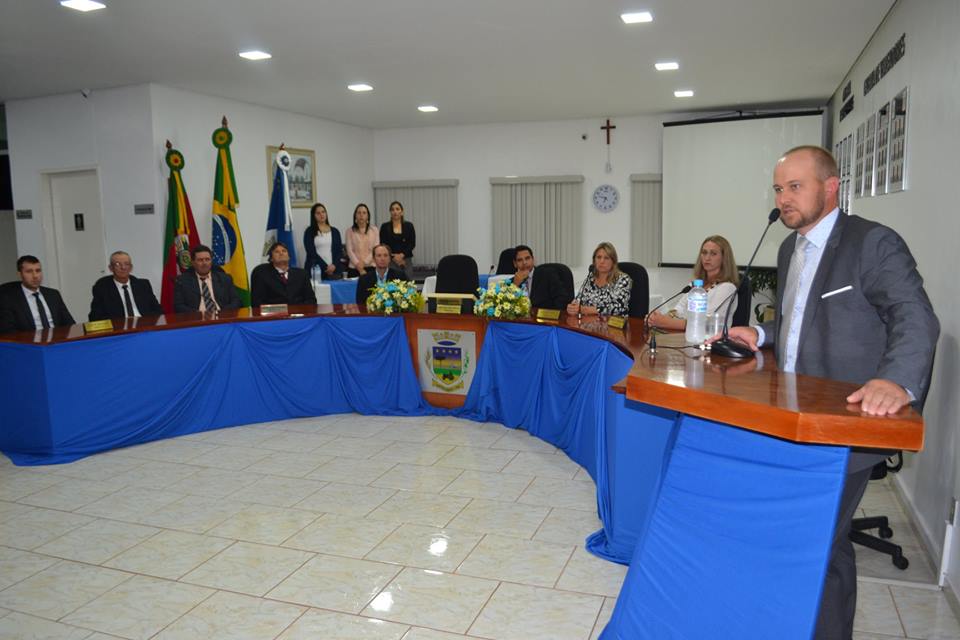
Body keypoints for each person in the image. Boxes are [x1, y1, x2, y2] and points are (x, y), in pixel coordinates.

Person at [722, 145, 938, 640]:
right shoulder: (788, 248)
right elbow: (800, 321)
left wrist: (896, 380)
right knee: (823, 542)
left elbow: (914, 316)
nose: (784, 198)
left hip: (844, 423)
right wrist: (763, 334)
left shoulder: (872, 243)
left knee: (817, 540)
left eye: (795, 187)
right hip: (795, 419)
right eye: (779, 189)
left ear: (831, 186)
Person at [646, 235, 739, 331]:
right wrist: (657, 319)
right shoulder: (696, 285)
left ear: (724, 258)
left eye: (713, 254)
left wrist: (665, 322)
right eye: (704, 253)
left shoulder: (727, 288)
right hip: (685, 335)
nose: (707, 258)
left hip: (710, 338)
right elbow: (679, 309)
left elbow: (704, 323)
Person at [0, 255, 75, 332]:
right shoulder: (8, 299)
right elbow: (8, 331)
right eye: (29, 271)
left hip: (57, 338)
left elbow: (70, 324)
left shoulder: (53, 295)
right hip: (28, 339)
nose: (35, 276)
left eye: (38, 271)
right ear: (20, 274)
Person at [88, 251, 163, 321]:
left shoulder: (143, 285)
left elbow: (158, 310)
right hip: (119, 326)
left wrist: (146, 322)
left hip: (143, 324)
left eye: (126, 264)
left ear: (131, 267)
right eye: (117, 264)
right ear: (111, 268)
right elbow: (95, 317)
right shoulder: (102, 288)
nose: (123, 267)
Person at [566, 242, 632, 317]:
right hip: (589, 322)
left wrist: (584, 309)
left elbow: (618, 308)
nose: (602, 261)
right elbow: (578, 300)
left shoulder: (622, 279)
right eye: (599, 257)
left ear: (613, 261)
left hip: (613, 323)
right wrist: (573, 308)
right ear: (594, 261)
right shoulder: (590, 278)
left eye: (606, 258)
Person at [173, 244, 242, 313]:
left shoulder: (225, 278)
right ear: (193, 263)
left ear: (211, 261)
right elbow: (178, 306)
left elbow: (236, 301)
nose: (204, 263)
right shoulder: (182, 281)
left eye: (207, 259)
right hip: (197, 317)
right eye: (200, 260)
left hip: (222, 316)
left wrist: (222, 313)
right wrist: (198, 314)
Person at [250, 241, 316, 306]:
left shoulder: (302, 274)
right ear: (271, 259)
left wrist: (298, 310)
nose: (281, 253)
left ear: (289, 257)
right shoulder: (261, 274)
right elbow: (257, 302)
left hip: (299, 311)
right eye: (277, 252)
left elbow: (311, 300)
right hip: (273, 312)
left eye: (284, 251)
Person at [512, 244, 572, 309]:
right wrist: (515, 285)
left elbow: (563, 298)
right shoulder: (512, 282)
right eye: (520, 260)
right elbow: (506, 307)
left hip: (545, 314)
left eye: (527, 258)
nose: (524, 262)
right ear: (515, 264)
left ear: (533, 259)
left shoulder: (547, 275)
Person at [302, 202, 344, 280]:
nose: (321, 215)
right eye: (318, 213)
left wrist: (333, 266)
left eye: (323, 212)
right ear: (314, 216)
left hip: (334, 270)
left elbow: (339, 252)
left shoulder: (335, 231)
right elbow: (311, 252)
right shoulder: (309, 231)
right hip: (316, 270)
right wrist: (326, 267)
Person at [379, 200, 416, 280]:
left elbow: (412, 243)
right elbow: (383, 244)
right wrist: (394, 257)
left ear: (402, 212)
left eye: (397, 209)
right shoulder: (385, 227)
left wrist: (402, 255)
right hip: (391, 260)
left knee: (407, 283)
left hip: (406, 260)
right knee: (392, 283)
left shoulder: (409, 226)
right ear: (390, 212)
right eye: (392, 209)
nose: (395, 211)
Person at [345, 203, 380, 277]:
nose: (361, 215)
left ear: (368, 216)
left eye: (364, 213)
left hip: (370, 267)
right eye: (359, 213)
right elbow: (349, 251)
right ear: (355, 215)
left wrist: (364, 262)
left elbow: (375, 249)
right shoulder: (349, 231)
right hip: (354, 267)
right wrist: (358, 265)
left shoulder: (374, 230)